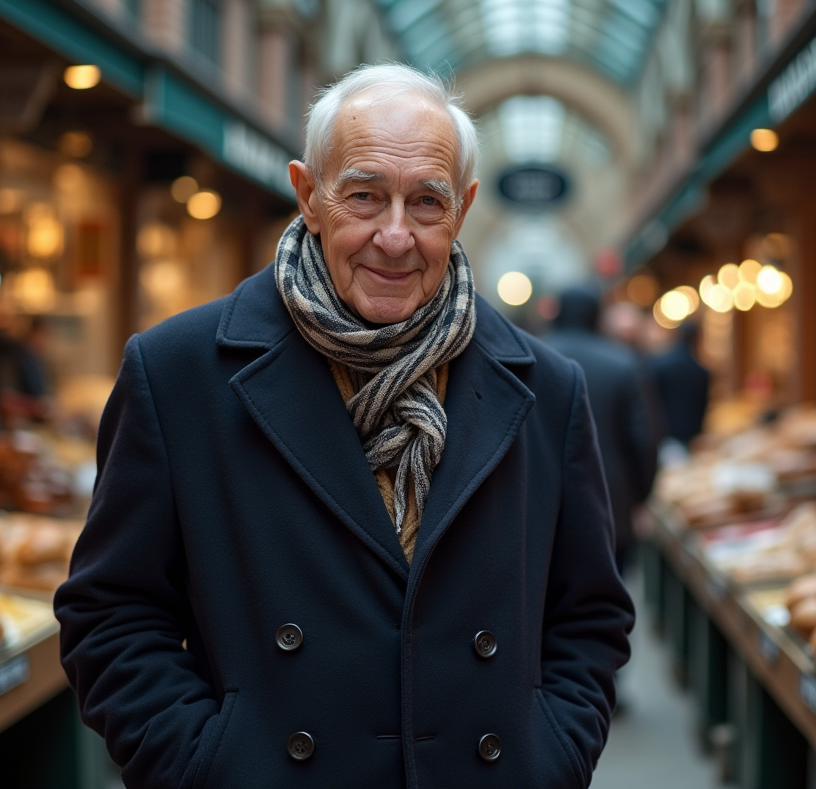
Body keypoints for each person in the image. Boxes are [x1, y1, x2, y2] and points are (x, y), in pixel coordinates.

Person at [55, 64, 633, 789]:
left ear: (464, 208)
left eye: (426, 201)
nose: (395, 236)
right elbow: (111, 612)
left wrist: (549, 756)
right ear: (308, 195)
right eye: (364, 195)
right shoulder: (177, 372)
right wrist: (205, 767)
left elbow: (590, 617)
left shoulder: (547, 389)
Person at [543, 287, 657, 574]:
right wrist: (641, 496)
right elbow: (643, 439)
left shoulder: (530, 359)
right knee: (609, 599)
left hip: (543, 507)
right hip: (610, 503)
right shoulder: (622, 363)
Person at [647, 320, 710, 450]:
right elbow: (703, 404)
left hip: (664, 433)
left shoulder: (658, 365)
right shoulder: (701, 371)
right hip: (691, 435)